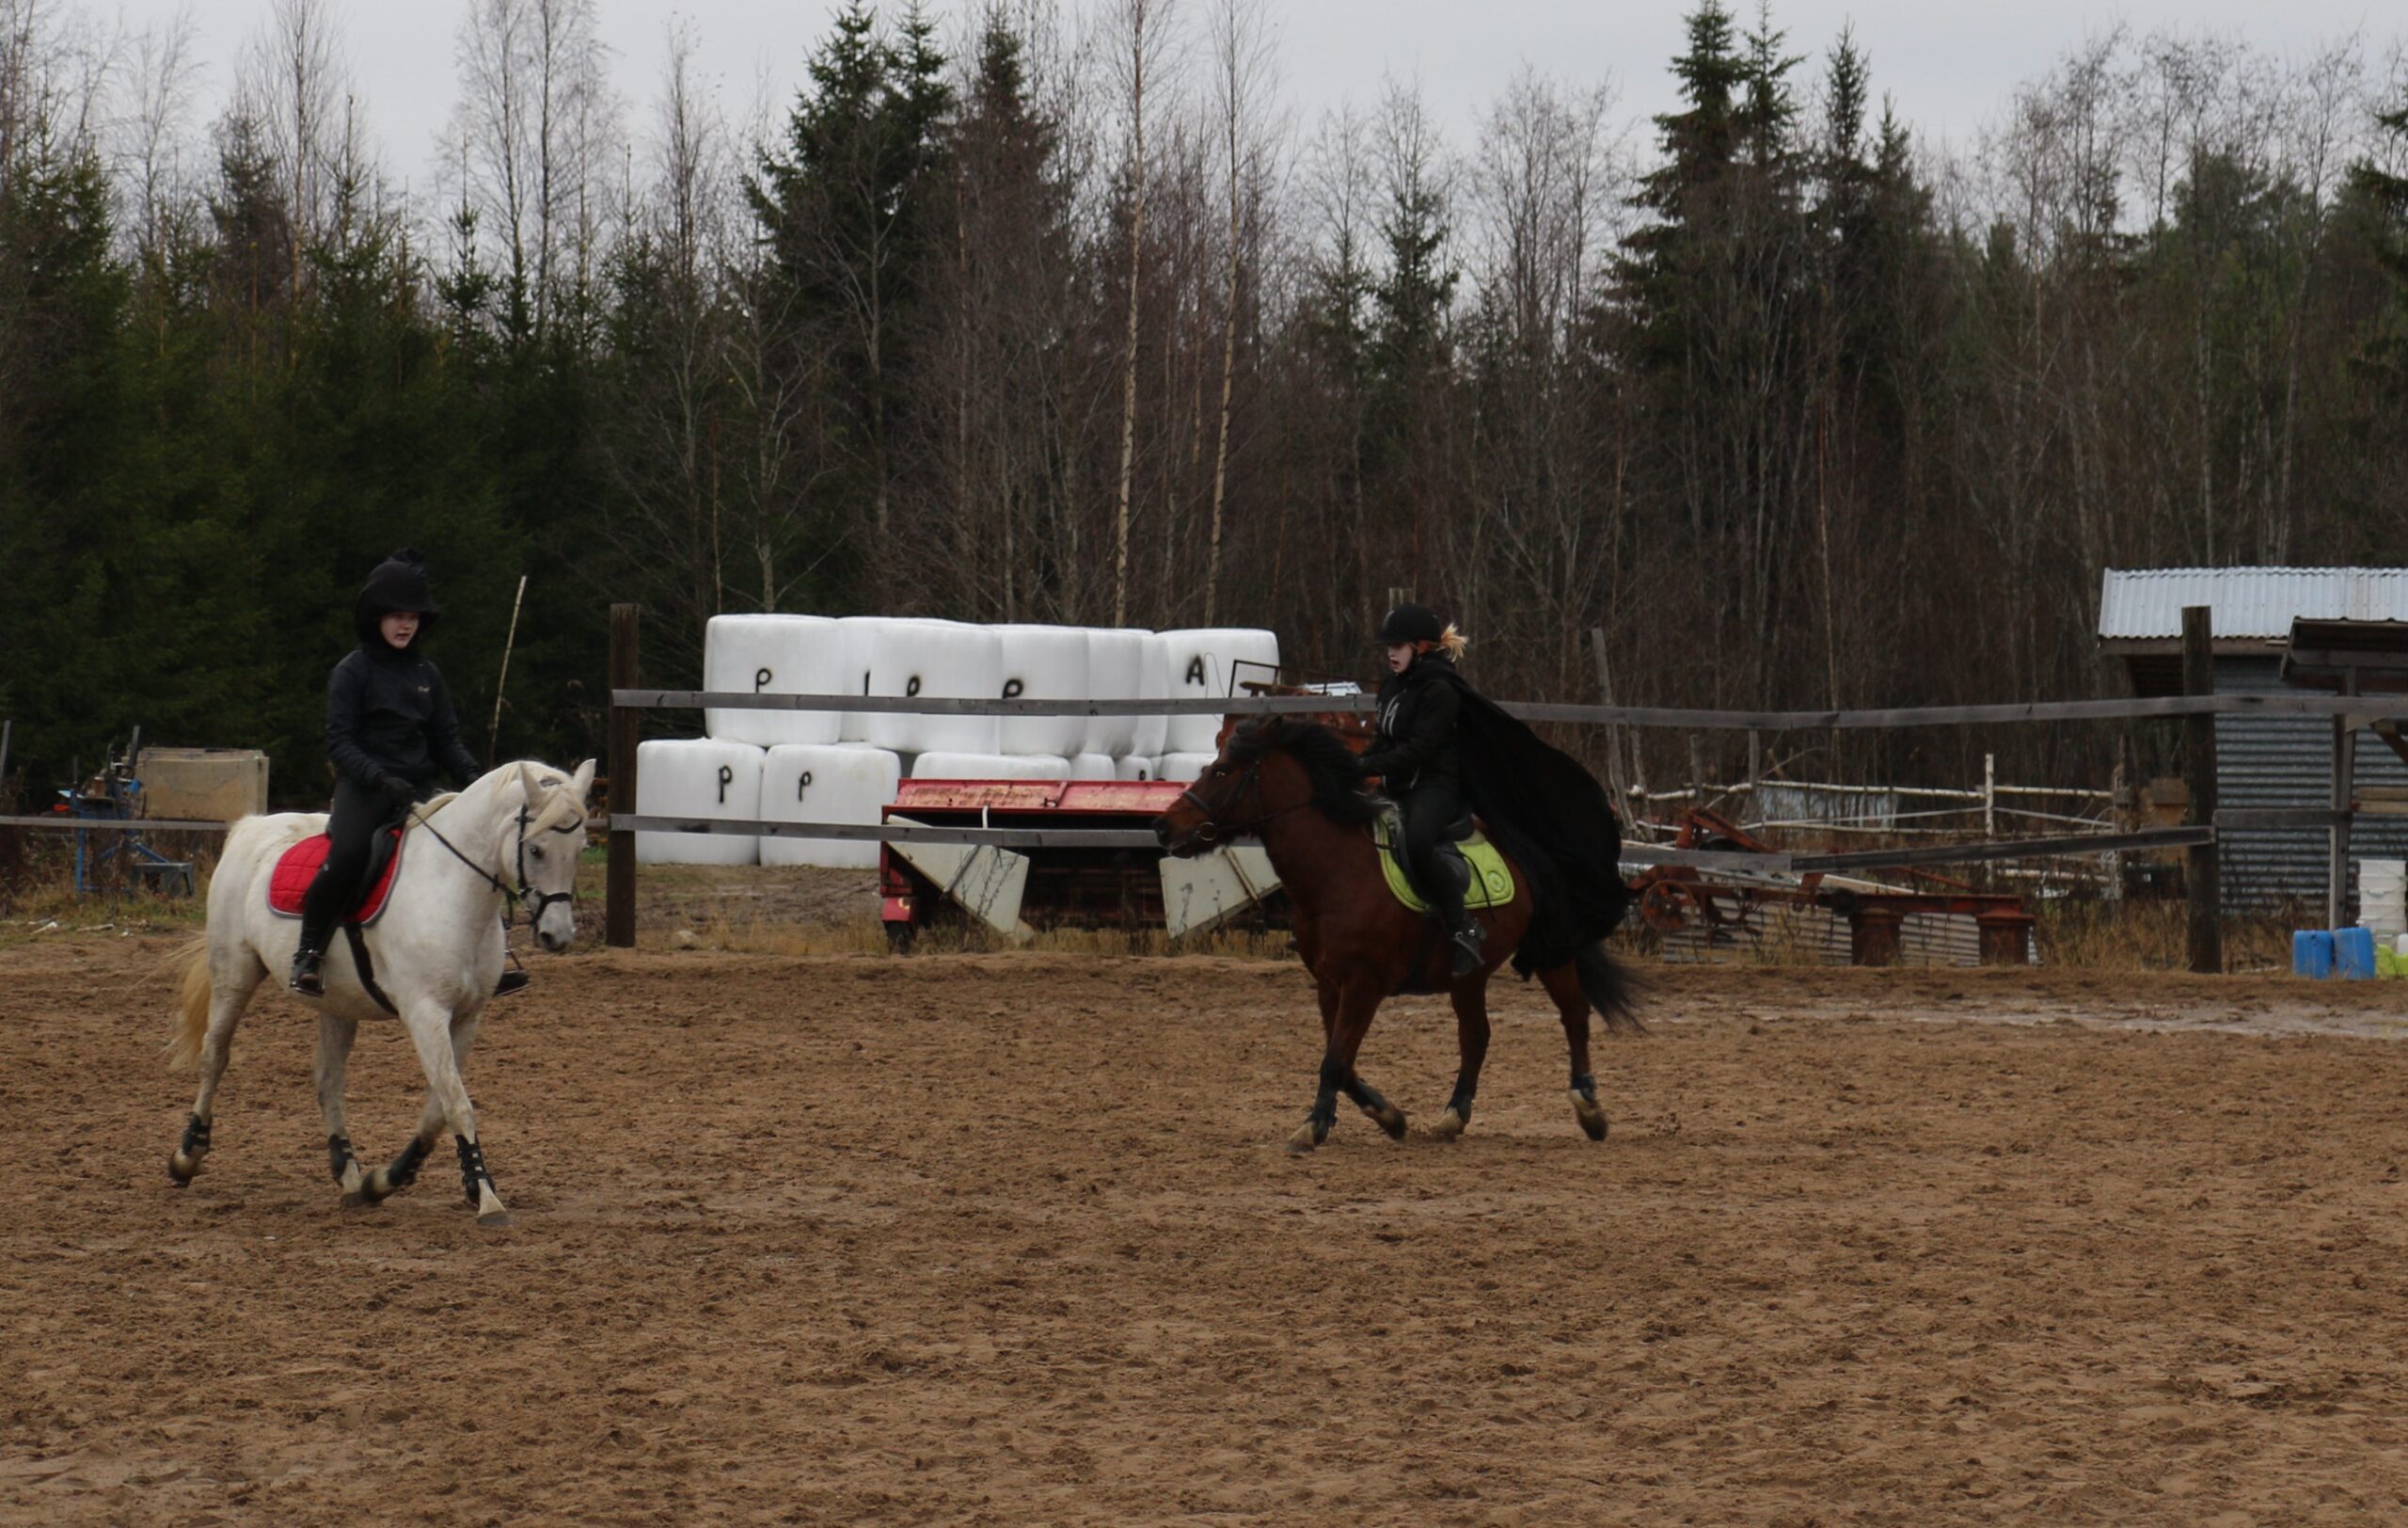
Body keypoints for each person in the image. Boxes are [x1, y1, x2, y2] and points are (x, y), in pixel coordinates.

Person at [1354, 602, 1632, 979]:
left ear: (1421, 647)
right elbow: (1383, 741)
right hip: (1397, 785)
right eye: (1387, 646)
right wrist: (1354, 766)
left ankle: (1462, 925)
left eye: (1398, 645)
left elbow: (1420, 750)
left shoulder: (1440, 690)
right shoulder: (1392, 687)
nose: (1390, 652)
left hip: (1434, 789)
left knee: (1417, 840)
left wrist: (1368, 767)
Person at [290, 549, 485, 996]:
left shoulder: (427, 675)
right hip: (366, 788)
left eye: (413, 616)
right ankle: (309, 952)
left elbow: (446, 740)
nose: (406, 624)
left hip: (420, 789)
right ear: (377, 617)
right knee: (347, 858)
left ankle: (487, 958)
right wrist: (379, 779)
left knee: (471, 857)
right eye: (397, 615)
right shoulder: (351, 672)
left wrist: (477, 781)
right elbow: (340, 742)